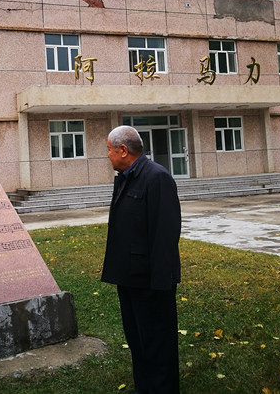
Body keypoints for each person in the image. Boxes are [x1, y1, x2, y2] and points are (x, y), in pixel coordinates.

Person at [102, 125, 182, 394]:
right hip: (130, 279)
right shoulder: (126, 177)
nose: (108, 156)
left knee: (157, 345)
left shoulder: (156, 178)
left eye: (110, 151)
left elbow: (165, 234)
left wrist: (160, 285)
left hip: (151, 283)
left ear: (123, 150)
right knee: (138, 342)